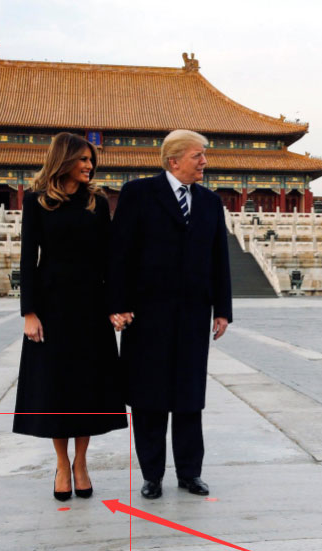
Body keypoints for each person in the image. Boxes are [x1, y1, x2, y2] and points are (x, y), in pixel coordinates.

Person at [107, 129, 232, 500]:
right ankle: (152, 475)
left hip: (194, 313)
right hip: (147, 315)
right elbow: (119, 253)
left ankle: (190, 473)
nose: (205, 163)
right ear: (173, 160)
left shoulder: (210, 202)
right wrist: (118, 303)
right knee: (149, 398)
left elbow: (218, 259)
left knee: (189, 397)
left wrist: (222, 310)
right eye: (198, 156)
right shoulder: (138, 193)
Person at [14, 132, 128, 501]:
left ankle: (82, 462)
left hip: (91, 306)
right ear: (63, 160)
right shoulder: (36, 202)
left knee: (87, 387)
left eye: (91, 160)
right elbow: (28, 258)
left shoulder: (96, 201)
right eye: (82, 159)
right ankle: (62, 464)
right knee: (56, 388)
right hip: (51, 305)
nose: (89, 166)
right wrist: (29, 312)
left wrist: (115, 304)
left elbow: (110, 257)